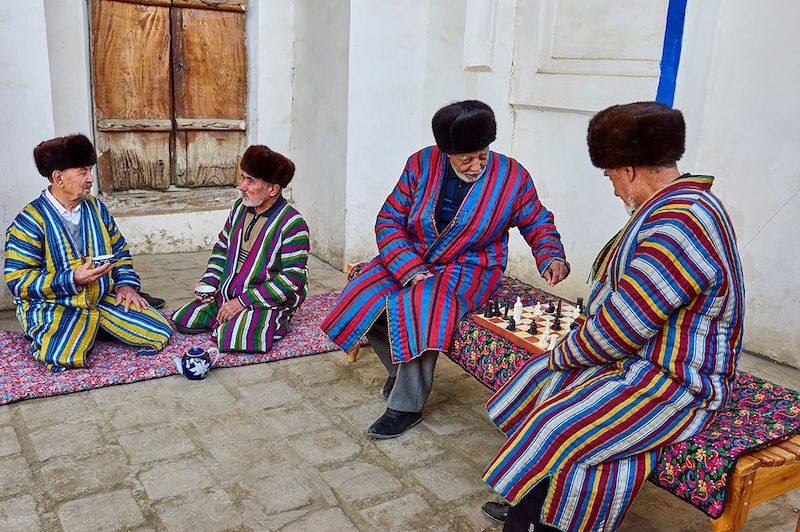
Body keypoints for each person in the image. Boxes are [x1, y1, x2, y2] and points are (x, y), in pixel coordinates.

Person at [480, 101, 745, 531]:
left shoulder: (681, 222)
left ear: (630, 170)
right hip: (642, 358)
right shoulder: (674, 206)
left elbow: (623, 326)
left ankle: (547, 522)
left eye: (610, 176)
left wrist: (564, 352)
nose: (614, 189)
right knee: (547, 386)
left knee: (558, 424)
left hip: (678, 382)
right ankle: (533, 511)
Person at [321, 100, 570, 439]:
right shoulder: (421, 164)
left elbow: (537, 219)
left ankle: (405, 407)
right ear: (445, 151)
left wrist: (550, 254)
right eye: (465, 158)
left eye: (482, 155)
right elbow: (390, 219)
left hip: (472, 265)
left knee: (423, 304)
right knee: (363, 294)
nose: (475, 165)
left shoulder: (512, 176)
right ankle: (399, 371)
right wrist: (410, 267)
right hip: (416, 255)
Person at [4, 134, 173, 372]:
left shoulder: (96, 208)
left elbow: (119, 251)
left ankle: (94, 326)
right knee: (61, 353)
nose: (90, 179)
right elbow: (18, 280)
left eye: (90, 170)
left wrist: (126, 286)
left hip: (100, 298)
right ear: (58, 178)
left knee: (159, 329)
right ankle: (75, 327)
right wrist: (72, 279)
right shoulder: (29, 221)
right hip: (56, 303)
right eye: (83, 172)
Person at [173, 145, 309, 353]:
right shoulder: (239, 208)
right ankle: (231, 312)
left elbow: (292, 279)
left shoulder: (293, 224)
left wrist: (243, 302)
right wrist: (209, 282)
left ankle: (275, 320)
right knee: (186, 320)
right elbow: (222, 248)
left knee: (234, 338)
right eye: (243, 178)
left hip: (266, 298)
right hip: (231, 290)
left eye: (250, 181)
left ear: (273, 189)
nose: (242, 186)